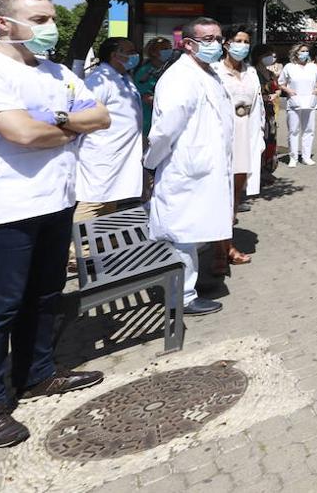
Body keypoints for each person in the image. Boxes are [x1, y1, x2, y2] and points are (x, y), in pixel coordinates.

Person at [0, 0, 111, 448]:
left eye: (52, 18)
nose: (50, 27)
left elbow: (100, 116)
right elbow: (19, 133)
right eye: (39, 19)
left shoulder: (57, 73)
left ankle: (37, 373)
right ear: (4, 23)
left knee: (45, 295)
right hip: (5, 206)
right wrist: (65, 125)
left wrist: (53, 122)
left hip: (56, 198)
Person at [144, 16, 234, 318]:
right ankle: (182, 297)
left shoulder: (207, 73)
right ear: (189, 44)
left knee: (194, 231)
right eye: (207, 39)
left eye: (218, 38)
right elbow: (165, 130)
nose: (215, 44)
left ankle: (189, 286)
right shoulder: (179, 77)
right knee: (182, 233)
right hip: (185, 169)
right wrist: (151, 165)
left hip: (205, 169)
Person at [75, 37, 144, 223]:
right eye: (130, 52)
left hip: (118, 153)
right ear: (115, 55)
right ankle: (77, 247)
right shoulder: (98, 80)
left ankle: (101, 247)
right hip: (101, 153)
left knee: (110, 200)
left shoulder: (124, 77)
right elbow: (84, 114)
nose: (135, 56)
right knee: (93, 202)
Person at [212, 28, 264, 269]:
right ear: (226, 44)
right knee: (219, 194)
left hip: (246, 135)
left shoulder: (251, 72)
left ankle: (227, 242)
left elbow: (259, 107)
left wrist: (260, 137)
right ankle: (220, 251)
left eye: (246, 42)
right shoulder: (214, 71)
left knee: (235, 194)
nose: (242, 46)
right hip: (222, 136)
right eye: (238, 41)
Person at [281, 43, 317, 167]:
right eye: (302, 51)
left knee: (309, 130)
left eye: (306, 51)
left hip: (310, 101)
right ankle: (293, 157)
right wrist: (289, 91)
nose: (304, 53)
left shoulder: (313, 67)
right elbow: (281, 82)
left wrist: (316, 90)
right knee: (293, 130)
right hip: (294, 101)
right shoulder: (289, 67)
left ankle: (306, 156)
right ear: (296, 53)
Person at [251, 44, 280, 181]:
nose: (271, 57)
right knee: (259, 140)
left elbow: (278, 89)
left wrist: (275, 94)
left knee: (270, 138)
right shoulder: (252, 72)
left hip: (270, 111)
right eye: (268, 54)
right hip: (257, 110)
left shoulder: (270, 73)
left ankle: (267, 170)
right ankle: (258, 171)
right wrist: (262, 97)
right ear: (259, 56)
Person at [133, 36, 172, 137]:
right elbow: (146, 98)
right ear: (153, 52)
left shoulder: (171, 69)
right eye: (164, 49)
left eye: (169, 48)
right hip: (149, 123)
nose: (169, 51)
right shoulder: (144, 72)